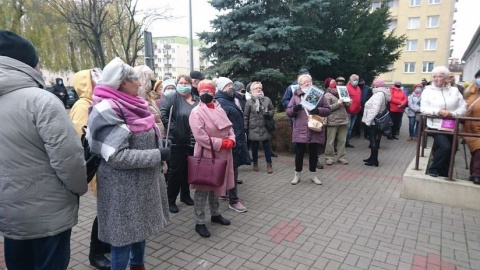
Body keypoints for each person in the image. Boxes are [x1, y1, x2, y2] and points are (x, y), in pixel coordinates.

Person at [0, 30, 87, 270]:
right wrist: (80, 189)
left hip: (9, 215)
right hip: (48, 216)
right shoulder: (41, 101)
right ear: (27, 64)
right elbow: (69, 160)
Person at [87, 57, 170, 269]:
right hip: (121, 190)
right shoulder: (107, 109)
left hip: (140, 184)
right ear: (122, 81)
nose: (140, 83)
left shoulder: (137, 105)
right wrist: (158, 155)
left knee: (139, 231)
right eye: (135, 78)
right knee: (123, 240)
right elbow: (116, 156)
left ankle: (138, 265)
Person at [69, 68, 111, 269]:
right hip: (97, 165)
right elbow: (84, 137)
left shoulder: (98, 103)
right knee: (104, 210)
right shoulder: (82, 105)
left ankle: (106, 243)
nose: (100, 82)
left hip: (107, 163)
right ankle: (95, 253)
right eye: (95, 79)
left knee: (110, 209)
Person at [189, 79, 235, 238]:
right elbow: (200, 136)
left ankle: (215, 214)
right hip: (206, 153)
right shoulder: (196, 112)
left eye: (208, 91)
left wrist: (232, 139)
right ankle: (199, 222)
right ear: (198, 93)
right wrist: (221, 142)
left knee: (217, 185)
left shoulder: (219, 108)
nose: (205, 94)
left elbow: (230, 128)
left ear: (214, 92)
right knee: (203, 189)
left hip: (223, 152)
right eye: (202, 91)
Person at [160, 75, 199, 213]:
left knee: (188, 170)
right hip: (177, 141)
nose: (183, 85)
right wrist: (175, 131)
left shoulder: (197, 99)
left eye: (186, 82)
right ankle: (170, 200)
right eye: (180, 83)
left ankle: (185, 195)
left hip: (194, 141)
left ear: (190, 84)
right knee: (175, 172)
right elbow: (164, 115)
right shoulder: (172, 98)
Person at [420, 66, 466, 178]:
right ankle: (434, 169)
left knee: (453, 148)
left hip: (451, 125)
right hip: (435, 125)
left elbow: (463, 107)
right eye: (434, 76)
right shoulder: (427, 91)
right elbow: (423, 109)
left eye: (440, 76)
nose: (436, 79)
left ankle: (444, 172)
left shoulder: (455, 91)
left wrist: (452, 114)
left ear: (446, 78)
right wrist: (438, 111)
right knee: (445, 146)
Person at [286, 74, 331, 185]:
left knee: (313, 154)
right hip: (300, 129)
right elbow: (288, 112)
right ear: (300, 84)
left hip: (314, 129)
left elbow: (328, 110)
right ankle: (297, 175)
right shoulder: (296, 96)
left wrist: (318, 110)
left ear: (311, 82)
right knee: (299, 154)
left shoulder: (319, 95)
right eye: (303, 82)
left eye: (308, 81)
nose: (306, 83)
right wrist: (294, 109)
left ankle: (313, 175)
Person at [215, 77, 250, 212]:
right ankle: (233, 201)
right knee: (232, 171)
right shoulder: (221, 102)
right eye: (227, 86)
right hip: (230, 143)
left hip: (235, 141)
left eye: (231, 84)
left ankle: (224, 193)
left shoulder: (229, 100)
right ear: (221, 88)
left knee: (230, 170)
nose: (231, 87)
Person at [244, 81, 275, 173]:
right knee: (254, 147)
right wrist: (245, 128)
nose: (258, 89)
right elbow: (246, 116)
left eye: (259, 88)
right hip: (254, 127)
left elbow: (272, 110)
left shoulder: (267, 99)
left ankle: (269, 164)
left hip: (265, 126)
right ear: (251, 91)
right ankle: (255, 163)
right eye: (256, 88)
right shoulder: (249, 101)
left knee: (267, 147)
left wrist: (268, 113)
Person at [362, 79, 391, 167]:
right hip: (376, 119)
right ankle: (372, 157)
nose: (372, 86)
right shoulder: (382, 93)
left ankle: (374, 160)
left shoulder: (379, 94)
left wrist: (368, 121)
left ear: (376, 85)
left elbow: (375, 108)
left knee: (373, 139)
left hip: (374, 120)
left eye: (373, 84)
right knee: (373, 139)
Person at [323, 78, 350, 165]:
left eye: (334, 81)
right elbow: (327, 109)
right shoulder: (327, 95)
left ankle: (341, 157)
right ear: (327, 84)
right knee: (330, 141)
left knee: (342, 140)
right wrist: (338, 104)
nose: (334, 82)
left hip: (343, 119)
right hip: (332, 120)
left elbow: (346, 106)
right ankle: (329, 157)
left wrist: (348, 102)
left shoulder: (341, 92)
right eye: (331, 81)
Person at [135, 65, 165, 138]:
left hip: (157, 140)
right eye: (151, 79)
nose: (153, 82)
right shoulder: (138, 100)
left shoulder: (148, 97)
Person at [462, 70, 480, 185]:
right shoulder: (470, 92)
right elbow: (465, 109)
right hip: (470, 129)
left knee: (478, 151)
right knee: (477, 151)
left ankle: (475, 174)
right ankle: (476, 174)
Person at [345, 74, 362, 148]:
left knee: (351, 128)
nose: (356, 81)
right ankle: (344, 142)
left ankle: (347, 141)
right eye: (354, 80)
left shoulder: (358, 88)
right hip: (348, 111)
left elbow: (359, 98)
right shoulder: (347, 88)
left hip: (356, 111)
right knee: (347, 128)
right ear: (350, 80)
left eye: (357, 80)